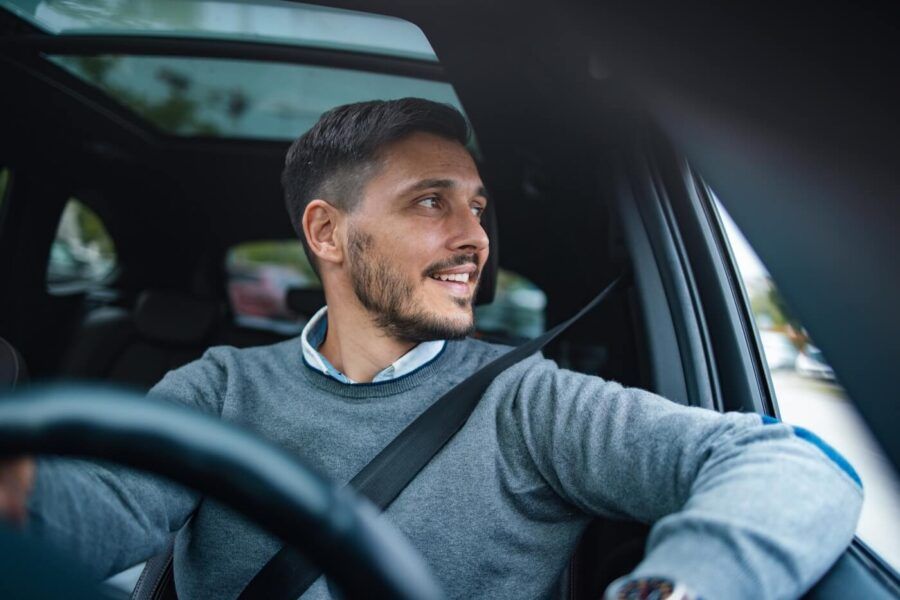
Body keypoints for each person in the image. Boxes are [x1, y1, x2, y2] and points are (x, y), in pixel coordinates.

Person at [0, 98, 862, 599]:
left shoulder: (530, 401)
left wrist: (682, 588)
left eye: (478, 207)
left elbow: (790, 463)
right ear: (328, 233)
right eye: (430, 203)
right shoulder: (218, 388)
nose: (474, 239)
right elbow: (86, 507)